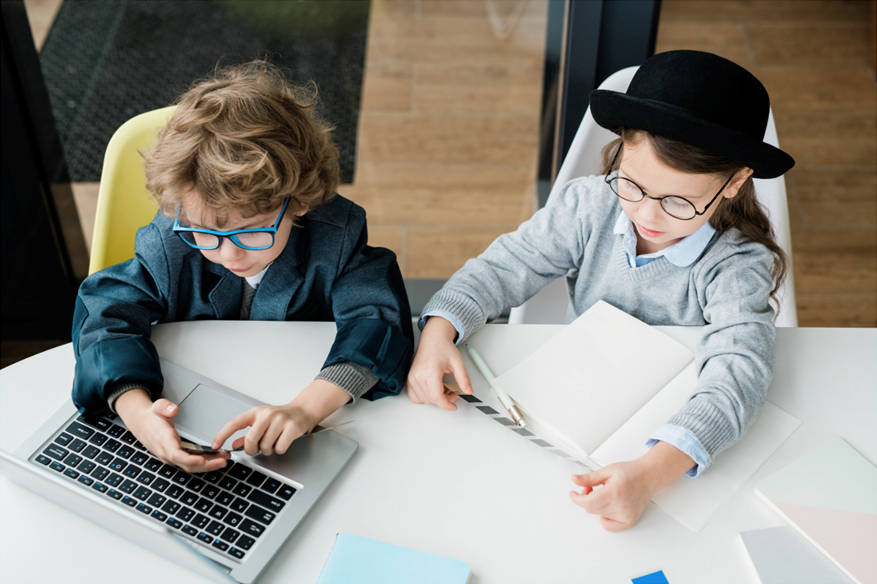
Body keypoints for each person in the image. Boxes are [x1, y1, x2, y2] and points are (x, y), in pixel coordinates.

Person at [406, 50, 794, 531]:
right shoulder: (589, 205)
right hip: (579, 399)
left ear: (735, 182)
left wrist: (651, 476)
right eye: (632, 185)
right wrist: (438, 331)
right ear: (620, 153)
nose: (648, 217)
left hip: (669, 430)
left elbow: (739, 374)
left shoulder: (737, 264)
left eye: (678, 202)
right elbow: (505, 267)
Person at [72, 61, 413, 474]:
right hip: (195, 419)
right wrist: (136, 410)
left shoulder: (334, 236)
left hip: (303, 419)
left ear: (300, 202)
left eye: (251, 233)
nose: (229, 255)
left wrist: (306, 409)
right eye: (206, 233)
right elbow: (106, 313)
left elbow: (377, 322)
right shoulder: (171, 242)